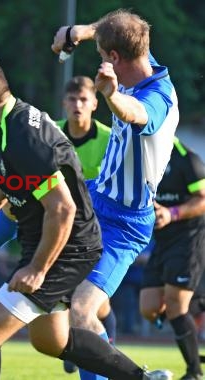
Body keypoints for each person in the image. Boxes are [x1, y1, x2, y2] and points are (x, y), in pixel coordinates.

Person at [0, 56, 171, 380]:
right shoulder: (3, 126)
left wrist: (38, 268)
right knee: (52, 341)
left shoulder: (25, 137)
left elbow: (63, 209)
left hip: (66, 248)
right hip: (50, 240)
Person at [51, 9, 179, 380]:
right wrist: (81, 31)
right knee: (38, 196)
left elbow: (138, 114)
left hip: (125, 221)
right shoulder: (141, 58)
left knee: (82, 312)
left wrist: (110, 96)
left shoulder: (157, 96)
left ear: (115, 59)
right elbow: (130, 24)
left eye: (104, 57)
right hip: (97, 197)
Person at [55, 77, 115, 373]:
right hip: (60, 226)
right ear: (64, 103)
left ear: (94, 103)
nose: (77, 105)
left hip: (101, 229)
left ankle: (98, 353)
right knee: (79, 303)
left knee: (86, 304)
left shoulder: (109, 139)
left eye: (83, 99)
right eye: (72, 99)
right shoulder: (50, 133)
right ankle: (85, 347)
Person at [139, 138, 205, 380]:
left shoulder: (187, 159)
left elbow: (203, 199)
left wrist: (172, 213)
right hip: (162, 240)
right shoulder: (144, 156)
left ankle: (194, 372)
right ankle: (197, 302)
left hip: (189, 238)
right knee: (149, 308)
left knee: (176, 306)